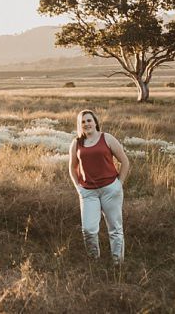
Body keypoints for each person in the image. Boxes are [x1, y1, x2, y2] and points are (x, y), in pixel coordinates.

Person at [70, 108, 131, 263]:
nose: (86, 124)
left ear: (95, 122)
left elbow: (124, 161)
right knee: (88, 230)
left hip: (110, 189)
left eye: (89, 120)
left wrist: (119, 184)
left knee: (115, 229)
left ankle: (118, 263)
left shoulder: (107, 138)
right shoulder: (76, 143)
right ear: (79, 125)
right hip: (88, 192)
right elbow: (72, 167)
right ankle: (94, 262)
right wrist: (79, 188)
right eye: (82, 122)